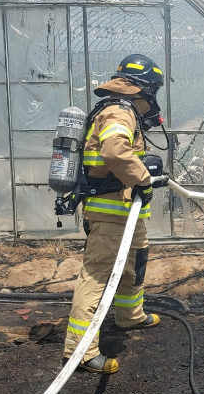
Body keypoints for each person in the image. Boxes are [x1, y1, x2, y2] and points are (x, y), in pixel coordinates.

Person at [63, 54, 168, 374]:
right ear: (142, 89)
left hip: (125, 213)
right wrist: (143, 180)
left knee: (135, 262)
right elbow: (114, 151)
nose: (154, 100)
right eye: (154, 90)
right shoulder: (118, 112)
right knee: (95, 279)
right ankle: (80, 351)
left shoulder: (121, 111)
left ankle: (129, 315)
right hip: (110, 214)